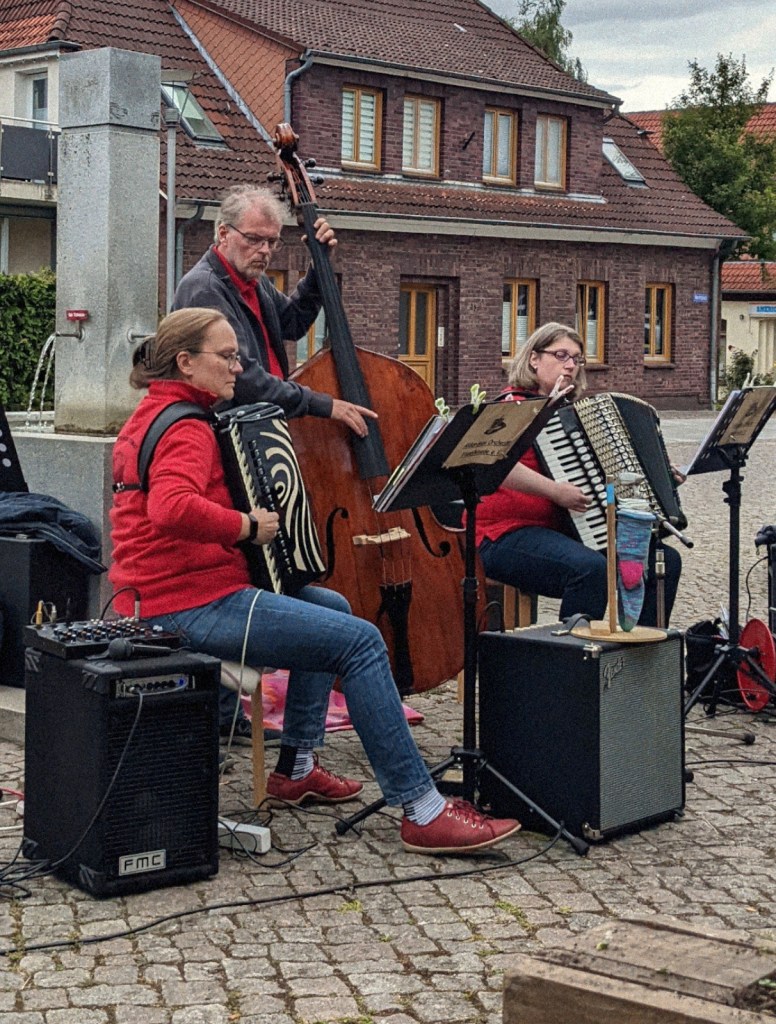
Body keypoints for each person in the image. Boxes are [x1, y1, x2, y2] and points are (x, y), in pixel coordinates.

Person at [109, 307, 521, 855]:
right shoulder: (187, 427)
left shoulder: (158, 412)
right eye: (226, 357)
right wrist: (247, 525)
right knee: (361, 642)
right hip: (186, 602)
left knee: (335, 608)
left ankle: (296, 766)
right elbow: (171, 507)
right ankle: (422, 809)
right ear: (185, 362)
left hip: (170, 592)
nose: (237, 367)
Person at [173, 183, 378, 742]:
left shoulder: (252, 282)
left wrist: (318, 265)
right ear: (223, 234)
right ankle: (222, 713)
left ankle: (267, 733)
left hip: (256, 443)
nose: (265, 250)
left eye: (273, 241)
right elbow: (245, 380)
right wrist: (322, 404)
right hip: (227, 445)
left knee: (272, 574)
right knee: (246, 568)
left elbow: (290, 324)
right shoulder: (204, 288)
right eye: (255, 239)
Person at [476, 322, 682, 626]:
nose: (570, 365)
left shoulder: (573, 414)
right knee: (591, 569)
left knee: (664, 561)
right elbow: (492, 464)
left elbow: (603, 471)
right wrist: (554, 491)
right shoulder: (512, 405)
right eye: (561, 355)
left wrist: (658, 476)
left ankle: (638, 648)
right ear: (534, 359)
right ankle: (574, 651)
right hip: (502, 533)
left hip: (566, 531)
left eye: (577, 358)